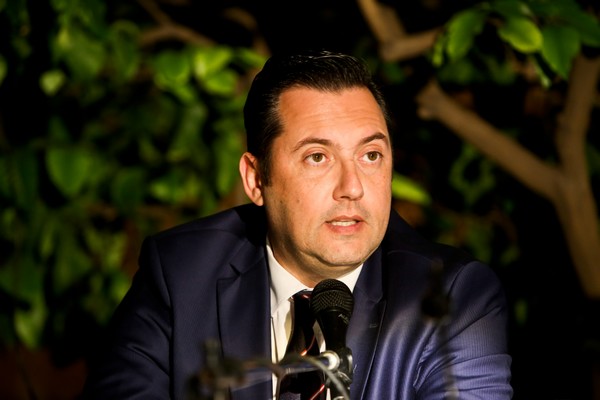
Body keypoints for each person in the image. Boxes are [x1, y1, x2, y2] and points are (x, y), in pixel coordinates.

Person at [83, 50, 513, 399]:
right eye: (317, 157)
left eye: (370, 156)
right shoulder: (181, 272)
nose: (352, 188)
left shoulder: (452, 295)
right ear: (256, 179)